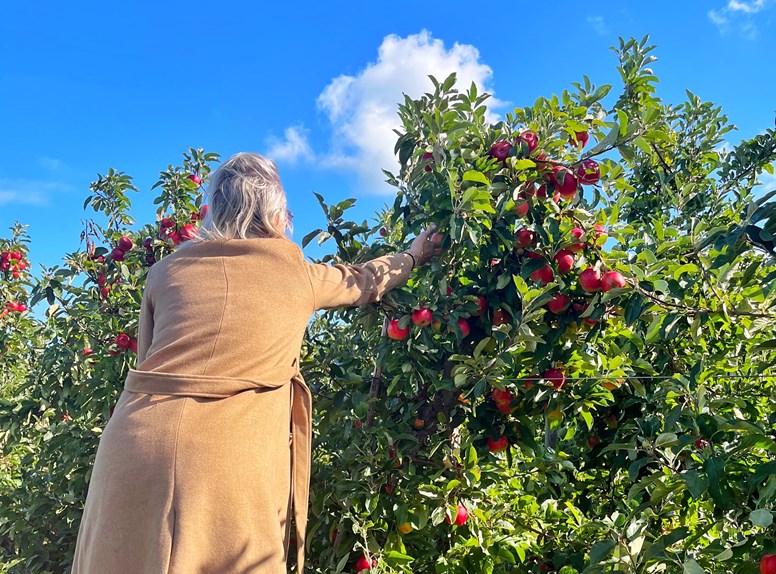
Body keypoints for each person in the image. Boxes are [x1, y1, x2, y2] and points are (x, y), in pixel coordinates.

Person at [71, 152, 442, 574]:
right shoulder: (294, 272)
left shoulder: (165, 271)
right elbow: (362, 280)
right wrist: (412, 256)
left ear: (215, 209)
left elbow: (147, 365)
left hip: (134, 443)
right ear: (276, 212)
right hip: (226, 459)